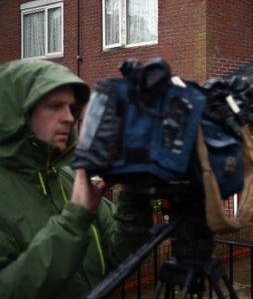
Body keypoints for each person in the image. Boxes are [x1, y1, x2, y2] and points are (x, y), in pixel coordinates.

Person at [0, 59, 153, 298]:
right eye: (55, 106)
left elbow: (119, 253)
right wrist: (76, 219)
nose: (69, 118)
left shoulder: (70, 179)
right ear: (19, 114)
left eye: (71, 108)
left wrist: (134, 194)